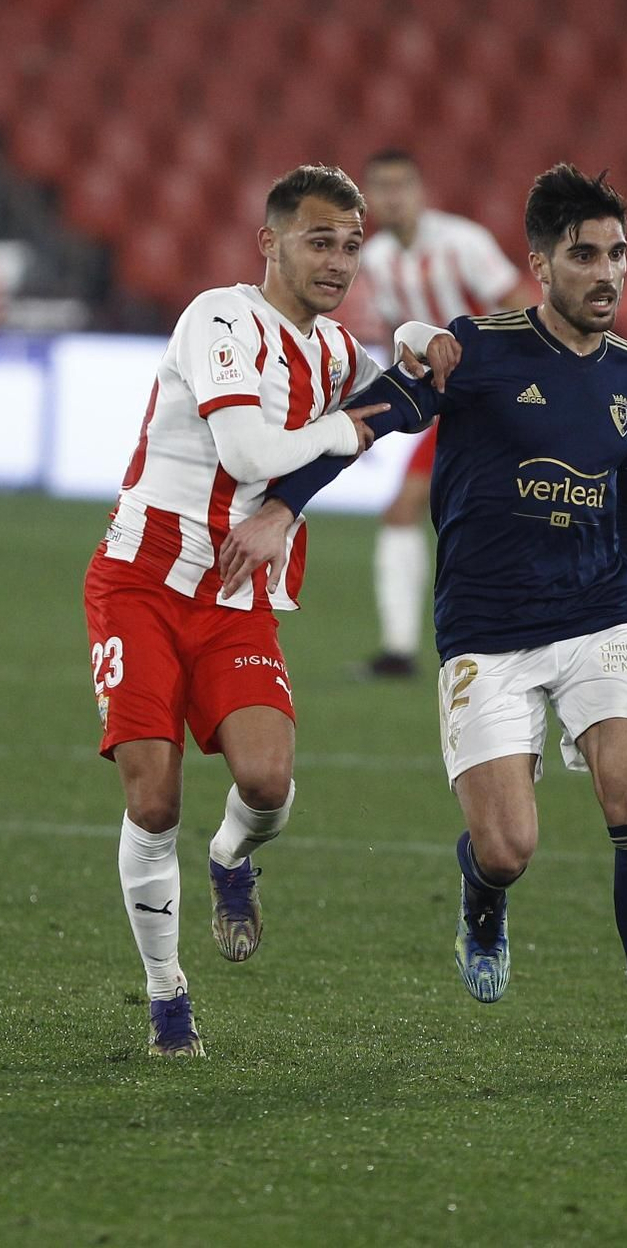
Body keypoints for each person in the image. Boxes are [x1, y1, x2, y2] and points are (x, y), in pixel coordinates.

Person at [224, 164, 627, 1077]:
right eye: (585, 254)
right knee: (509, 847)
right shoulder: (473, 352)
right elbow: (377, 415)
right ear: (540, 263)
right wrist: (283, 505)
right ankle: (483, 892)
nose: (607, 273)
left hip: (602, 613)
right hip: (487, 629)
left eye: (619, 254)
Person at [83, 164, 389, 1058]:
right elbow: (249, 443)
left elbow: (402, 395)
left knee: (267, 784)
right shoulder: (220, 317)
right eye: (319, 240)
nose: (338, 262)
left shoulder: (336, 354)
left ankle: (230, 859)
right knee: (154, 798)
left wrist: (417, 343)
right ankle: (166, 994)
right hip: (139, 582)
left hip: (237, 601)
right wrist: (348, 431)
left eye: (351, 246)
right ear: (271, 241)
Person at [355, 149, 537, 678]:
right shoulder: (378, 257)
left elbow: (519, 307)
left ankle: (409, 650)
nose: (392, 197)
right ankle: (405, 650)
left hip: (489, 399)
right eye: (381, 187)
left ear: (420, 191)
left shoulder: (463, 243)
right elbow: (401, 339)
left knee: (424, 511)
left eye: (401, 185)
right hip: (446, 405)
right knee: (427, 514)